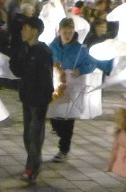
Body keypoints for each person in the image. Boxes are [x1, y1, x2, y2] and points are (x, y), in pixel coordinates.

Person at [47, 17, 113, 161]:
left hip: (73, 87)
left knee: (68, 119)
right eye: (65, 31)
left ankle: (63, 149)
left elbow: (92, 63)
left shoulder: (80, 49)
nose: (68, 34)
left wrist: (80, 70)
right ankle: (60, 133)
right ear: (59, 31)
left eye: (70, 31)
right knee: (54, 117)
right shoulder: (52, 47)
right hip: (56, 86)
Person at [9, 17, 54, 185]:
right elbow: (18, 71)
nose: (22, 31)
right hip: (27, 97)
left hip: (38, 99)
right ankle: (35, 163)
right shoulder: (26, 49)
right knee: (28, 134)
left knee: (34, 134)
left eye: (25, 28)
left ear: (34, 31)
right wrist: (15, 53)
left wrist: (45, 96)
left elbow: (46, 77)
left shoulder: (42, 51)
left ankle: (31, 168)